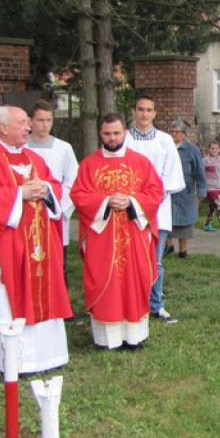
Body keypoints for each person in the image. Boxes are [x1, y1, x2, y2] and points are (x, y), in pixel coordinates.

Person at [0, 105, 73, 373]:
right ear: (3, 128)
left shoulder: (34, 159)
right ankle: (6, 360)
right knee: (5, 300)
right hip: (5, 249)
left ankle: (47, 357)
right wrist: (18, 194)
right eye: (22, 123)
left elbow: (55, 186)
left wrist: (45, 189)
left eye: (27, 123)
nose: (28, 128)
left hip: (38, 246)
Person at [71, 114, 164, 350]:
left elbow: (155, 192)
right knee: (105, 280)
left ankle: (134, 336)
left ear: (125, 133)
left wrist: (132, 202)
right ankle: (107, 339)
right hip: (103, 237)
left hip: (133, 233)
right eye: (107, 134)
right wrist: (105, 202)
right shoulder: (89, 164)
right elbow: (79, 195)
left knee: (135, 280)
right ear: (100, 134)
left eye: (116, 133)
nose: (112, 138)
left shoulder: (141, 162)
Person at [123, 96, 185, 324]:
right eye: (140, 109)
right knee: (130, 259)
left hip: (158, 208)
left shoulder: (165, 140)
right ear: (134, 111)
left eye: (149, 110)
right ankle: (132, 302)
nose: (144, 114)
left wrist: (152, 196)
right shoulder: (124, 138)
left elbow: (172, 174)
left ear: (155, 113)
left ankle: (155, 304)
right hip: (129, 209)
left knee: (155, 260)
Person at [26, 100, 79, 293]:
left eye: (48, 120)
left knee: (57, 264)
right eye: (40, 120)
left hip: (54, 212)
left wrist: (58, 206)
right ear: (30, 122)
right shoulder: (20, 148)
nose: (45, 124)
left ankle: (61, 310)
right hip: (27, 212)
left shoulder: (63, 148)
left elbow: (72, 181)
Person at [165, 120, 207, 259]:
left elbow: (200, 171)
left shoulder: (192, 150)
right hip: (168, 190)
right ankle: (168, 246)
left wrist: (201, 190)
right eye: (172, 132)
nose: (174, 134)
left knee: (184, 222)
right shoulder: (165, 147)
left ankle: (183, 251)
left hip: (186, 191)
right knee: (167, 220)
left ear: (184, 134)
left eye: (177, 132)